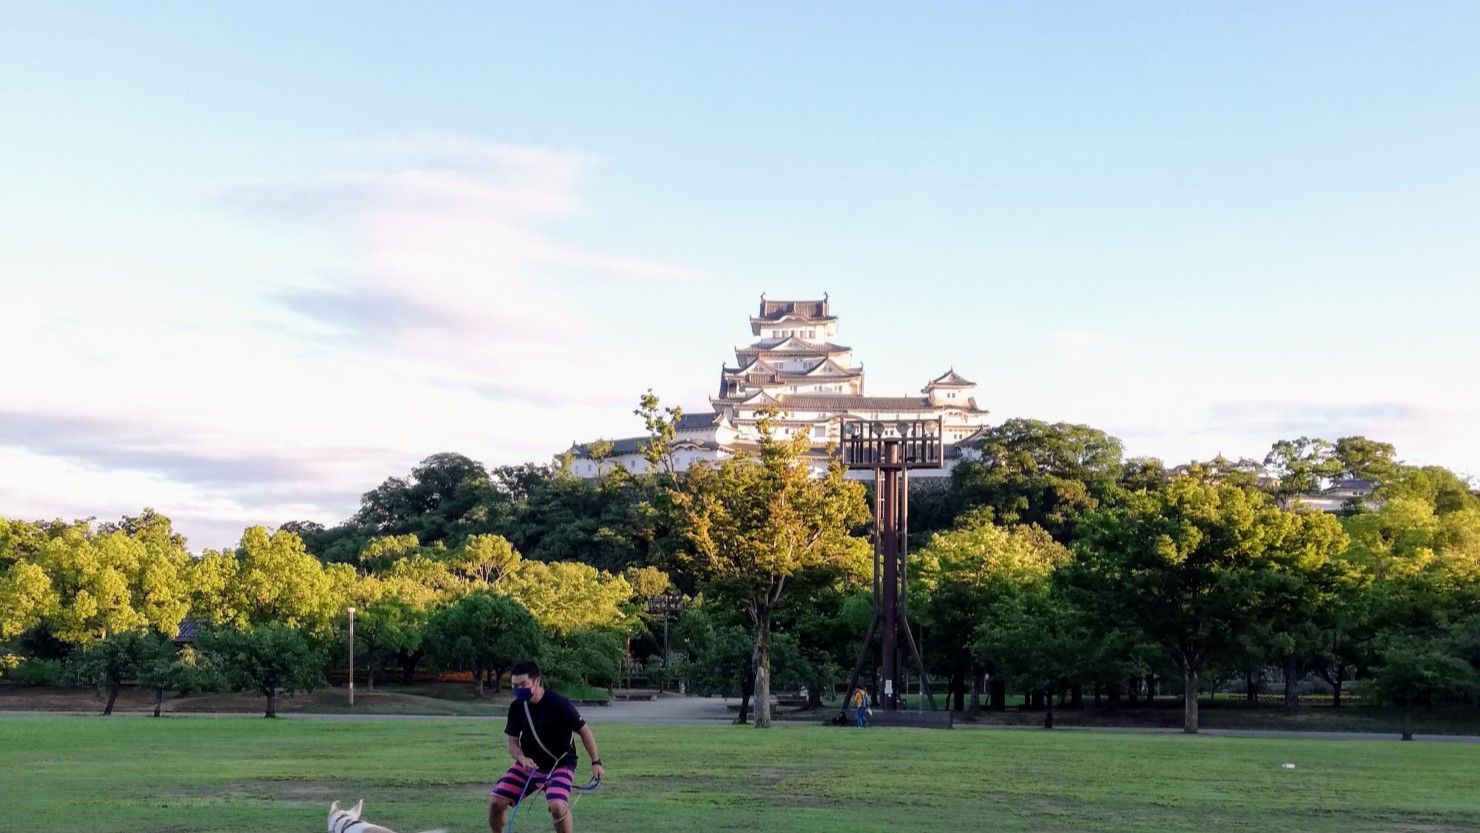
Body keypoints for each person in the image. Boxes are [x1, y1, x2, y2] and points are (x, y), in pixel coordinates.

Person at [489, 661, 605, 833]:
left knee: (557, 806)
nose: (519, 689)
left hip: (560, 764)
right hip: (529, 765)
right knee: (496, 801)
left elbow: (584, 730)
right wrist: (522, 759)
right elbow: (512, 744)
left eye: (523, 685)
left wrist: (596, 762)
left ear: (537, 681)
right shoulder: (517, 707)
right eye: (514, 686)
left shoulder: (558, 703)